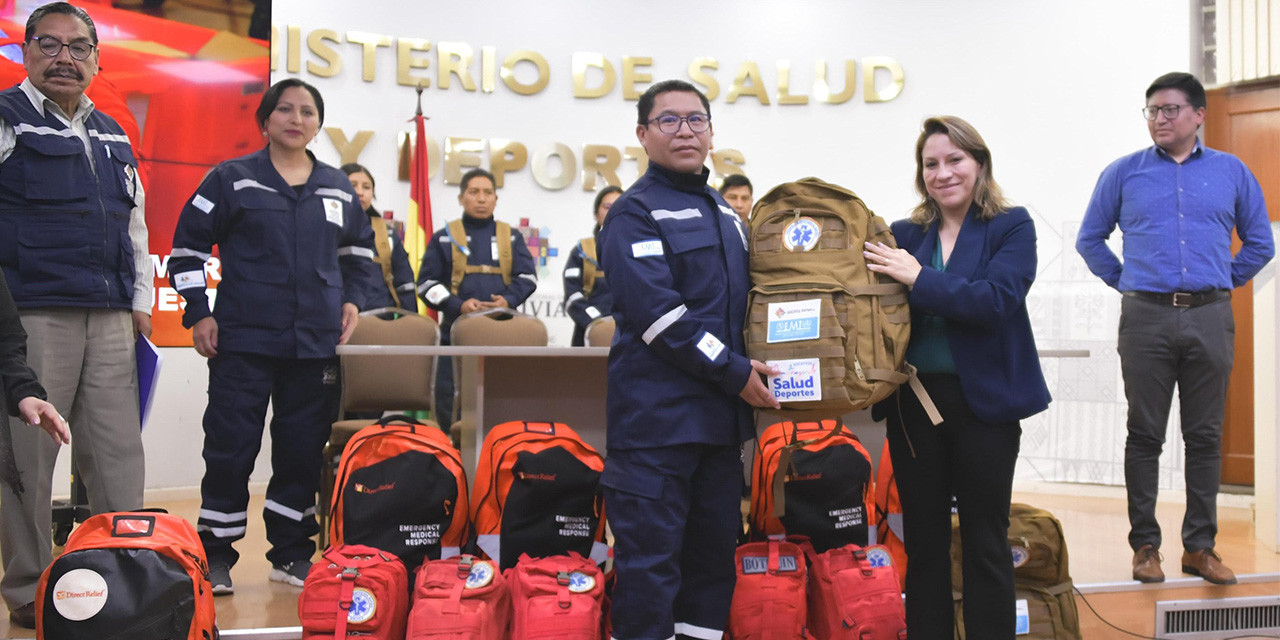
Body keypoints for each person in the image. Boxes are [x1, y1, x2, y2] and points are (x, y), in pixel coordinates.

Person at [168, 78, 379, 595]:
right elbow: (187, 250)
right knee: (230, 450)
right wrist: (198, 313)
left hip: (314, 347)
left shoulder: (336, 186)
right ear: (264, 121)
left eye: (307, 111)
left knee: (301, 451)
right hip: (243, 341)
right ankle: (215, 556)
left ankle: (290, 553)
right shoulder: (232, 178)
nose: (295, 118)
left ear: (318, 124)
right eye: (284, 109)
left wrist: (354, 301)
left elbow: (360, 254)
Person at [1076, 72, 1274, 585]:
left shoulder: (1231, 171)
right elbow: (1090, 239)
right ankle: (1145, 547)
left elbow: (1259, 242)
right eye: (1151, 111)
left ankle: (1200, 548)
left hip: (1211, 315)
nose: (1159, 119)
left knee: (1205, 436)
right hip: (1145, 317)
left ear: (1198, 114)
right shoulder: (1123, 173)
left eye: (1169, 110)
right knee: (1144, 435)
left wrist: (1217, 281)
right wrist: (1129, 282)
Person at [599, 79, 779, 640]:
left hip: (719, 430)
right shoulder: (633, 214)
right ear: (642, 134)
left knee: (709, 569)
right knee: (650, 572)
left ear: (711, 131)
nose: (685, 131)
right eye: (669, 120)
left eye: (696, 120)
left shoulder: (726, 213)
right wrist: (734, 371)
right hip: (657, 430)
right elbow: (660, 318)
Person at [865, 115, 1050, 639]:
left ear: (980, 164)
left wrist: (918, 278)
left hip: (984, 406)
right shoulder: (904, 234)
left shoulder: (1012, 226)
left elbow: (995, 301)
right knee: (922, 543)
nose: (942, 173)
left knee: (985, 541)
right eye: (931, 164)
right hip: (913, 407)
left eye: (955, 160)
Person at [0, 2, 149, 628]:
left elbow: (136, 223)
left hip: (111, 316)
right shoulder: (6, 121)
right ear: (26, 50)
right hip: (34, 314)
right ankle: (30, 590)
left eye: (79, 46)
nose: (66, 57)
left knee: (118, 458)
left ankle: (128, 577)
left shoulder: (113, 131)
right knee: (28, 464)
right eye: (50, 43)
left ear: (96, 58)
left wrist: (140, 304)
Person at [415, 168, 537, 427]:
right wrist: (457, 306)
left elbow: (528, 279)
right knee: (450, 398)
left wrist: (507, 300)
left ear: (496, 199)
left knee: (506, 400)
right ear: (461, 198)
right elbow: (426, 284)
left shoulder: (512, 237)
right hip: (454, 338)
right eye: (473, 192)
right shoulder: (443, 237)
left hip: (503, 336)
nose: (481, 199)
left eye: (487, 193)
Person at [342, 162, 417, 312]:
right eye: (352, 185)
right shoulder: (326, 228)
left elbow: (405, 283)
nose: (360, 192)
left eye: (366, 187)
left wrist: (410, 322)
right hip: (336, 320)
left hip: (381, 319)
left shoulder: (386, 233)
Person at [564, 185, 621, 346]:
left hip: (630, 334)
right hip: (588, 334)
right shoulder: (582, 251)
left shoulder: (639, 249)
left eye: (618, 206)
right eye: (607, 207)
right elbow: (572, 296)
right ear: (596, 214)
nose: (612, 211)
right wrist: (597, 322)